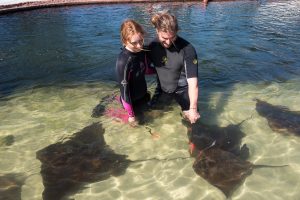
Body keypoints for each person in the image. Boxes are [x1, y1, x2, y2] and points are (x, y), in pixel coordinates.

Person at [148, 12, 200, 124]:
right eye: (164, 38)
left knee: (193, 122)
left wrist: (193, 109)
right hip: (163, 90)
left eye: (172, 37)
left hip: (183, 90)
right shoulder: (151, 46)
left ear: (177, 32)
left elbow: (193, 84)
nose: (168, 42)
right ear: (157, 31)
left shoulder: (188, 49)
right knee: (149, 119)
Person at [116, 19, 154, 125]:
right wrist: (131, 115)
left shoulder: (142, 52)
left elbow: (145, 70)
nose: (139, 46)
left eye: (141, 40)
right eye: (134, 43)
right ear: (125, 41)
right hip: (131, 103)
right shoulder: (123, 61)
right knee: (139, 127)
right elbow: (124, 92)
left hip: (144, 95)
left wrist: (164, 71)